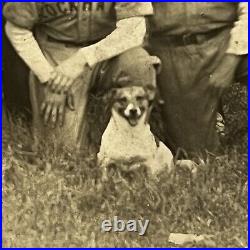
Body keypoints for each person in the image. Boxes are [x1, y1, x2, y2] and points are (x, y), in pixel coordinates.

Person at [3, 2, 153, 152]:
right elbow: (16, 28)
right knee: (61, 150)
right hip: (57, 50)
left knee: (139, 64)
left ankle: (131, 139)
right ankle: (86, 131)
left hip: (107, 47)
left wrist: (82, 59)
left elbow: (134, 29)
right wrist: (49, 78)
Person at [147, 2, 248, 158]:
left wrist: (232, 57)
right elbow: (132, 17)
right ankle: (209, 113)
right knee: (197, 156)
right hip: (175, 48)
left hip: (224, 36)